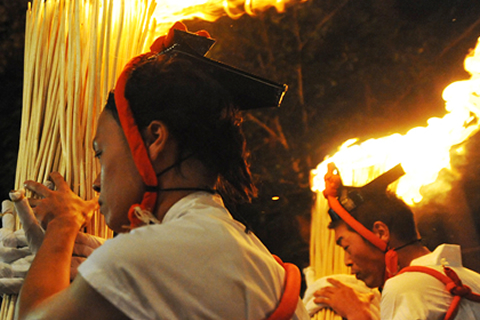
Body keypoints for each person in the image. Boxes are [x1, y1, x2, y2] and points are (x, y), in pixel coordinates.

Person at [14, 22, 309, 320]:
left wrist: (62, 226)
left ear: (155, 139)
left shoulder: (145, 257)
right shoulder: (255, 259)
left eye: (101, 154)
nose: (95, 182)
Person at [314, 163, 480, 320]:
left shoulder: (406, 287)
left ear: (380, 232)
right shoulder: (471, 278)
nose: (346, 261)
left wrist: (358, 315)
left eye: (346, 247)